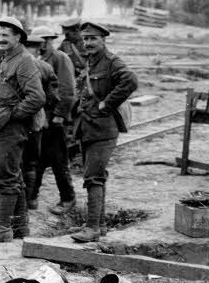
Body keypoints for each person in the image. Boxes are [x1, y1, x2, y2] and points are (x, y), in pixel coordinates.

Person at [0, 17, 46, 245]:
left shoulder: (24, 61)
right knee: (14, 174)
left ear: (18, 37)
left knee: (4, 175)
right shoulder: (9, 58)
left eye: (6, 35)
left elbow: (37, 97)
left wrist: (13, 116)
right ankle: (20, 226)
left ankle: (3, 228)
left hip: (12, 127)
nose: (0, 39)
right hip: (5, 125)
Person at [68, 20, 138, 243]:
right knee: (96, 176)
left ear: (103, 40)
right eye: (85, 39)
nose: (88, 43)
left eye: (93, 39)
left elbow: (130, 81)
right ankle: (101, 225)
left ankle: (92, 228)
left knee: (92, 177)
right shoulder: (91, 61)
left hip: (103, 128)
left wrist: (107, 104)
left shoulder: (111, 61)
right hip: (88, 127)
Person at [31, 25, 78, 214]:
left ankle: (68, 198)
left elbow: (68, 90)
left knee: (58, 160)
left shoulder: (60, 58)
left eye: (45, 41)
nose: (41, 45)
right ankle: (32, 197)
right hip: (40, 118)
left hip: (54, 118)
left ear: (50, 41)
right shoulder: (37, 59)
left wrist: (60, 115)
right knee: (38, 158)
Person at [16, 31, 55, 211]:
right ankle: (30, 200)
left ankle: (19, 202)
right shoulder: (45, 66)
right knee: (31, 161)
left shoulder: (15, 64)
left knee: (17, 160)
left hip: (16, 118)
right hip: (37, 119)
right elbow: (52, 95)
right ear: (38, 48)